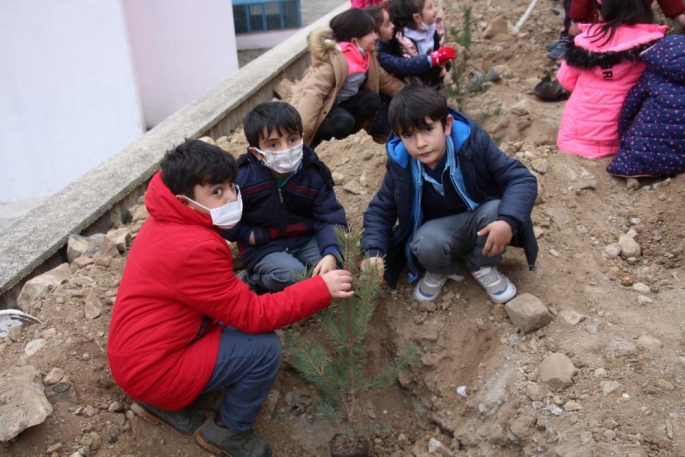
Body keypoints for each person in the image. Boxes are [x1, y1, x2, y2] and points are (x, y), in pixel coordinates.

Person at [107, 140, 354, 457]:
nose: (232, 197)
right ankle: (229, 432)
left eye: (231, 187)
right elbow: (255, 316)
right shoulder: (194, 247)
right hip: (152, 371)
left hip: (138, 354)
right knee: (264, 348)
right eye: (216, 192)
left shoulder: (167, 217)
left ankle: (161, 400)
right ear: (185, 199)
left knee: (235, 300)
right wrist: (320, 288)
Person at [361, 84, 538, 304]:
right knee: (424, 243)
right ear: (398, 136)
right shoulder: (401, 166)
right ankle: (440, 269)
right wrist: (373, 252)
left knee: (497, 209)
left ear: (446, 125)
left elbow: (521, 178)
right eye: (408, 135)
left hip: (480, 221)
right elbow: (380, 209)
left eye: (427, 129)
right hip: (438, 232)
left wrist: (508, 222)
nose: (421, 143)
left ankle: (482, 264)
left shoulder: (473, 145)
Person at [221, 102, 348, 292]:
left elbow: (329, 216)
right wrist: (249, 235)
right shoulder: (243, 179)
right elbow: (224, 217)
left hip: (305, 239)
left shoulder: (313, 173)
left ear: (302, 139)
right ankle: (254, 280)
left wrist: (331, 253)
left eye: (292, 139)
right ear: (256, 152)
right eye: (273, 144)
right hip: (264, 247)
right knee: (295, 276)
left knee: (331, 271)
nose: (285, 149)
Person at [556, 0, 668, 159]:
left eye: (599, 8)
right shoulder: (651, 44)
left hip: (575, 141)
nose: (597, 12)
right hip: (625, 141)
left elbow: (565, 80)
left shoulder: (586, 40)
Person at [291, 8, 404, 148]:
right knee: (343, 121)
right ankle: (325, 145)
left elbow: (386, 81)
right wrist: (300, 133)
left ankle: (350, 140)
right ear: (355, 40)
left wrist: (413, 95)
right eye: (370, 33)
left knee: (371, 99)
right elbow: (313, 94)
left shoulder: (367, 58)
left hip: (342, 105)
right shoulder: (333, 61)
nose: (375, 37)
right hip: (324, 110)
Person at [365, 5, 456, 137]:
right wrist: (431, 60)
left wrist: (442, 64)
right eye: (386, 24)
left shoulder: (395, 40)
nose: (392, 26)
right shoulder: (383, 50)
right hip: (393, 101)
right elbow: (401, 65)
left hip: (414, 89)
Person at [607, 30, 685, 178]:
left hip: (641, 155)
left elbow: (630, 106)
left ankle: (636, 169)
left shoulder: (653, 73)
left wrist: (623, 136)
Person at [389, 0, 453, 87]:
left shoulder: (435, 30)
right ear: (417, 17)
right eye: (430, 8)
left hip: (436, 83)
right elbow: (410, 70)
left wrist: (444, 66)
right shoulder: (405, 42)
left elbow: (438, 51)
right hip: (418, 91)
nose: (435, 10)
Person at [569, 0, 685, 34]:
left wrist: (680, 15)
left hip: (636, 25)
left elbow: (671, 3)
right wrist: (577, 21)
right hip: (603, 26)